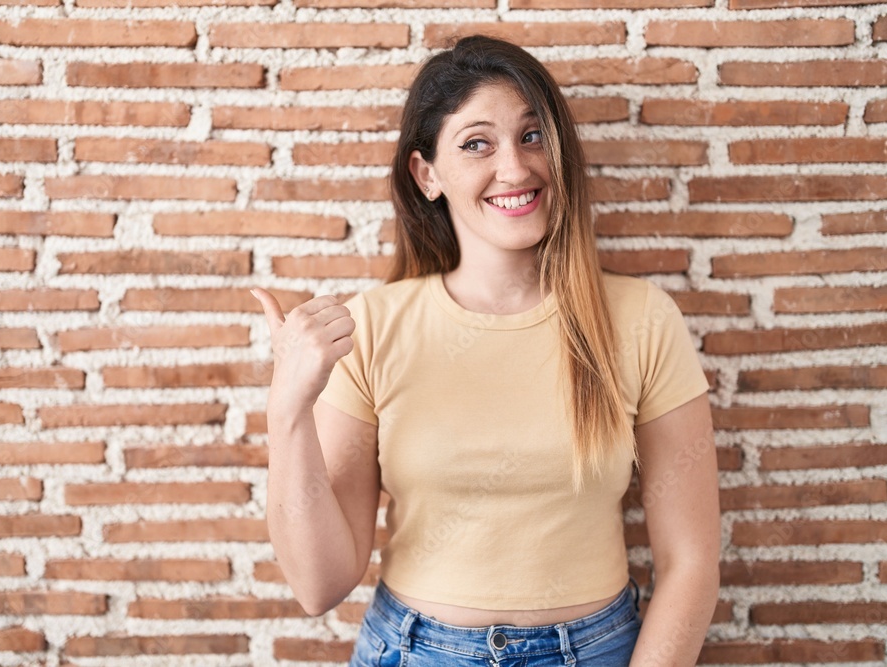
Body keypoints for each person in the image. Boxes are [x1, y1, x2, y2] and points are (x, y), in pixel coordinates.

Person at [251, 35, 720, 667]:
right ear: (428, 175)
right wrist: (289, 409)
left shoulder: (641, 320)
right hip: (414, 652)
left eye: (532, 136)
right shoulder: (370, 328)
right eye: (477, 144)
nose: (516, 169)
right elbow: (320, 585)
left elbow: (691, 562)